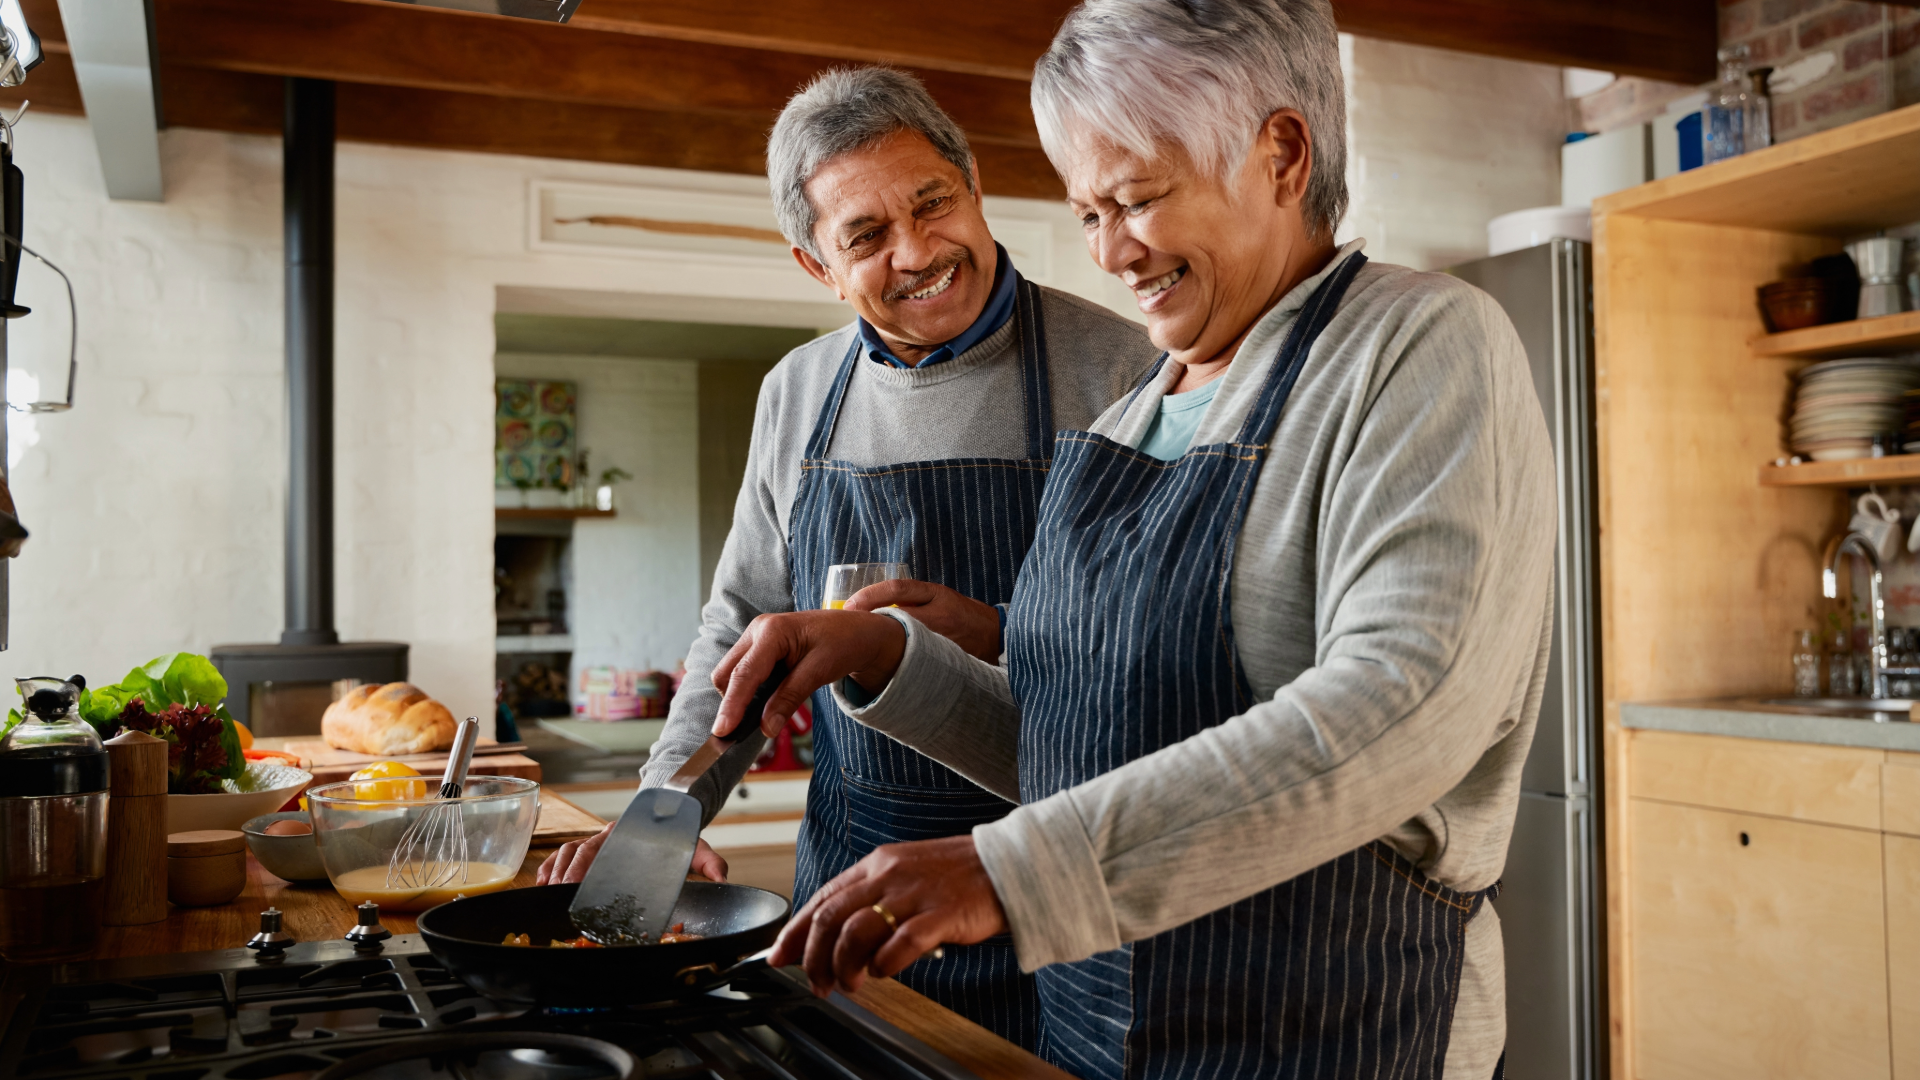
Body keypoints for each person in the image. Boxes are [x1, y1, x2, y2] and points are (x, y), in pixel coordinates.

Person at [704, 2, 1558, 1077]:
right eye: (1088, 210)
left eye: (1140, 199)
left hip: (1323, 1026)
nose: (1110, 251)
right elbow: (1084, 744)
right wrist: (897, 662)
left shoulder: (1420, 346)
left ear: (1282, 153)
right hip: (1100, 1029)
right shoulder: (1137, 410)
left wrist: (1014, 875)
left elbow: (1399, 712)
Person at [536, 66, 1160, 1048]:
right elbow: (740, 624)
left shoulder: (1125, 370)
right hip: (849, 892)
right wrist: (666, 815)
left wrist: (1000, 633)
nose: (917, 251)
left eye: (932, 203)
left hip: (1053, 884)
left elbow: (1159, 662)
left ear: (975, 185)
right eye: (866, 236)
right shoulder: (797, 392)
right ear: (814, 264)